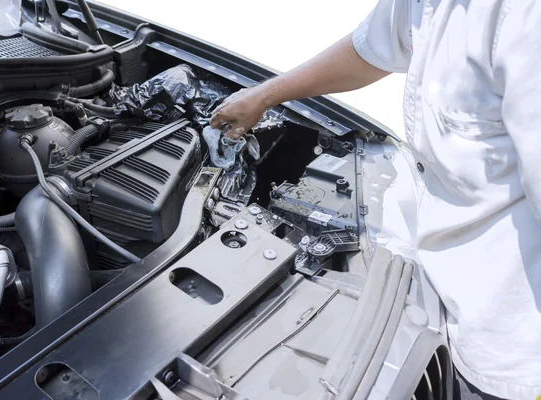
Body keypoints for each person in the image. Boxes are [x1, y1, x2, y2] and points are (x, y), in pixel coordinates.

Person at [210, 1, 541, 399]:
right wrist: (264, 96)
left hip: (513, 341)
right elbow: (371, 49)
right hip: (447, 279)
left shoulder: (524, 20)